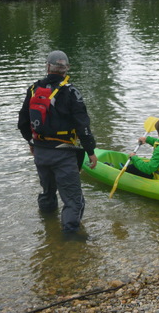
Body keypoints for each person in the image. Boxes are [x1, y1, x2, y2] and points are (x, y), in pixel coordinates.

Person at [18, 50, 97, 233]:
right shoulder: (71, 92)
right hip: (64, 154)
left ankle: (47, 226)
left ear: (48, 67)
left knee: (48, 192)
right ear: (66, 69)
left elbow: (22, 122)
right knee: (73, 200)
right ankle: (71, 241)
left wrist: (31, 142)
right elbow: (82, 125)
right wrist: (90, 151)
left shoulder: (34, 89)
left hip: (41, 153)